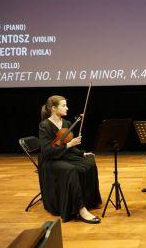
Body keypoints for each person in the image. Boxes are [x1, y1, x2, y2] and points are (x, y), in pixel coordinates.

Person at [38, 95, 102, 223]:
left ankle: (88, 201)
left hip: (64, 155)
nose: (67, 108)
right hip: (50, 160)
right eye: (64, 105)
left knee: (89, 162)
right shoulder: (44, 126)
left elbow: (70, 149)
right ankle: (81, 209)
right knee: (71, 170)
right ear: (54, 108)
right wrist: (69, 144)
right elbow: (48, 151)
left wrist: (81, 154)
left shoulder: (66, 123)